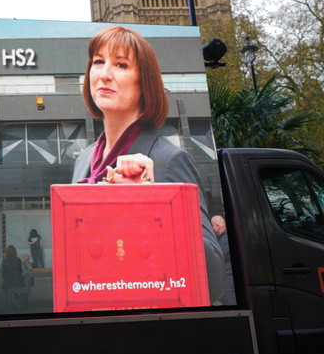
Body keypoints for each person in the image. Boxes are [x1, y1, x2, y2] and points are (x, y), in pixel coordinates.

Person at [71, 25, 224, 300]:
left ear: (144, 82)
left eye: (121, 64)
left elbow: (213, 279)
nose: (104, 73)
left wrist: (149, 201)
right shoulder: (83, 161)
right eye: (97, 62)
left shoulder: (169, 159)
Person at [211, 214, 236, 306]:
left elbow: (219, 259)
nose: (212, 229)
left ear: (217, 226)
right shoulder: (227, 236)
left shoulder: (223, 241)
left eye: (212, 225)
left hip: (228, 279)